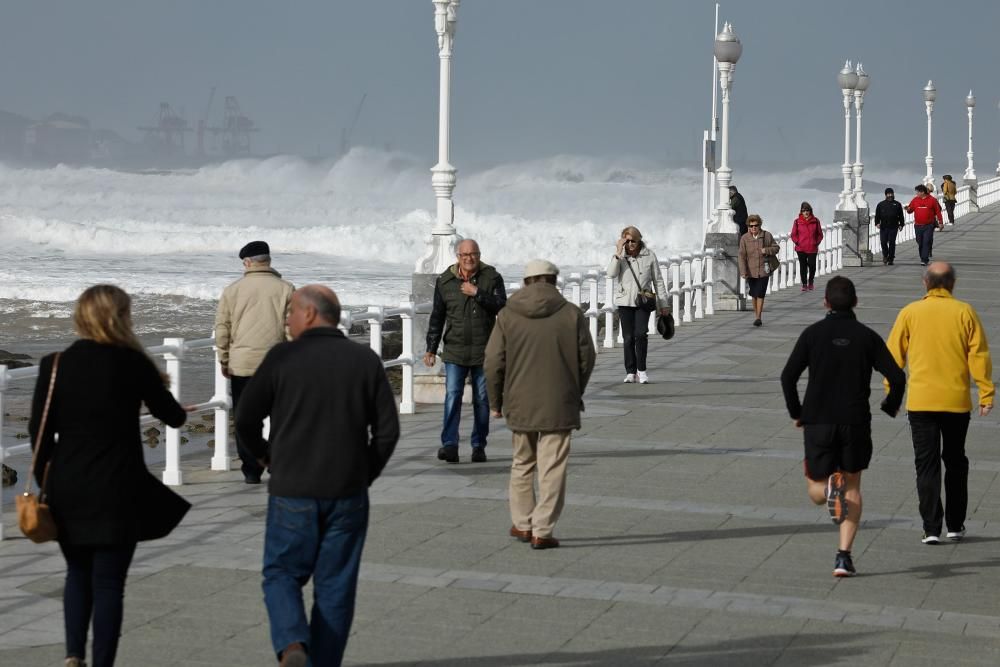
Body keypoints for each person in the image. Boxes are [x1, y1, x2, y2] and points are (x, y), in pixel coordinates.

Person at [236, 285, 400, 667]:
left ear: (310, 314)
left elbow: (245, 418)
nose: (288, 321)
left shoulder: (282, 357)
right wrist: (364, 474)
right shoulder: (364, 360)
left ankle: (293, 645)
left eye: (291, 312)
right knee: (335, 588)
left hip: (292, 488)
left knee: (280, 574)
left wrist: (264, 456)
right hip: (347, 493)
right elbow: (388, 432)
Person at [29, 285, 190, 667]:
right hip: (119, 486)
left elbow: (39, 432)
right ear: (122, 317)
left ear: (80, 317)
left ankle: (72, 656)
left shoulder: (54, 364)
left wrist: (46, 483)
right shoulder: (132, 362)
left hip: (68, 486)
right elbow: (174, 416)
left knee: (77, 573)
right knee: (109, 584)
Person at [780, 276, 905, 577]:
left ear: (825, 302)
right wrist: (889, 406)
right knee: (853, 486)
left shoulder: (812, 334)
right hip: (855, 420)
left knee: (815, 488)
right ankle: (843, 557)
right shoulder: (866, 337)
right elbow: (897, 377)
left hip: (819, 420)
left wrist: (798, 412)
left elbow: (787, 377)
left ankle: (827, 490)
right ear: (856, 303)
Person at [484, 259, 596, 550]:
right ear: (553, 281)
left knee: (522, 463)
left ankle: (522, 524)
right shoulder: (571, 313)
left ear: (526, 282)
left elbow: (493, 361)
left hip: (520, 402)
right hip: (560, 402)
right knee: (553, 467)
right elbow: (587, 358)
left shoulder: (507, 315)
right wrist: (575, 391)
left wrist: (496, 402)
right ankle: (542, 530)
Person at [885, 262, 994, 545]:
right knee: (956, 461)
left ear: (925, 283)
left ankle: (931, 528)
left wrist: (892, 395)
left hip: (921, 402)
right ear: (953, 284)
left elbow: (893, 358)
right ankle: (955, 525)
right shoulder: (964, 312)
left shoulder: (910, 312)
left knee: (926, 464)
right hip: (956, 402)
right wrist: (986, 394)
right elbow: (979, 355)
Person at [215, 240, 295, 483]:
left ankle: (251, 469)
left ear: (247, 263)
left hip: (243, 365)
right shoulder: (287, 289)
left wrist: (224, 358)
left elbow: (222, 329)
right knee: (281, 418)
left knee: (246, 419)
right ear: (268, 261)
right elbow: (292, 330)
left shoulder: (232, 290)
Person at [423, 239, 506, 464]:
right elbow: (437, 317)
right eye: (465, 255)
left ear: (479, 255)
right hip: (455, 350)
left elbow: (502, 306)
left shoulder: (492, 278)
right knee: (452, 396)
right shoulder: (445, 281)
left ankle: (478, 445)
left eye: (474, 254)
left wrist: (477, 292)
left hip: (484, 349)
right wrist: (431, 348)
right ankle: (449, 445)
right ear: (457, 256)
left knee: (481, 399)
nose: (469, 258)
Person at [606, 226, 671, 384]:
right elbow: (611, 274)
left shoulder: (649, 256)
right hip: (625, 302)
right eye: (626, 241)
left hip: (643, 301)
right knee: (628, 338)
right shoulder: (620, 256)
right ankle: (630, 371)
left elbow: (658, 280)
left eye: (633, 241)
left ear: (639, 240)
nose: (630, 244)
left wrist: (664, 304)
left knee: (641, 334)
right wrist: (618, 251)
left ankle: (641, 370)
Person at [738, 214, 780, 327]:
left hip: (764, 270)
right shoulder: (744, 238)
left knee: (760, 293)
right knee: (754, 294)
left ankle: (758, 317)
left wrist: (766, 250)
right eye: (751, 226)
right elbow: (741, 256)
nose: (753, 228)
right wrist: (743, 271)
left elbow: (776, 248)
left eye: (756, 225)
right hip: (750, 271)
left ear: (759, 225)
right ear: (748, 226)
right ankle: (756, 315)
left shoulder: (766, 235)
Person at [904, 185, 943, 266]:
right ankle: (923, 256)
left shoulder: (932, 200)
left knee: (926, 241)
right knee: (920, 242)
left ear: (922, 192)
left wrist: (940, 222)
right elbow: (910, 210)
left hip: (928, 225)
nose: (916, 193)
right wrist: (908, 209)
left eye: (918, 192)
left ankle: (924, 259)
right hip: (918, 225)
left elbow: (938, 211)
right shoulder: (915, 200)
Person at [790, 201, 823, 291]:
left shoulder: (816, 221)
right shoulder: (797, 221)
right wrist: (798, 242)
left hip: (812, 248)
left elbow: (820, 234)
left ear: (810, 211)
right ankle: (804, 284)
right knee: (803, 266)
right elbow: (793, 234)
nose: (806, 212)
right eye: (804, 210)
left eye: (807, 210)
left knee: (812, 265)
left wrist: (816, 242)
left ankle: (811, 281)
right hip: (801, 248)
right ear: (801, 211)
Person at [874, 188, 905, 265]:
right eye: (888, 194)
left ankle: (891, 258)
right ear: (885, 195)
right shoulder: (880, 204)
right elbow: (877, 215)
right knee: (883, 242)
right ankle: (885, 255)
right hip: (883, 227)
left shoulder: (897, 204)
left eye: (891, 194)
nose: (890, 195)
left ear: (893, 194)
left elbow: (901, 215)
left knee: (891, 242)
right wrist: (877, 223)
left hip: (894, 226)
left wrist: (901, 224)